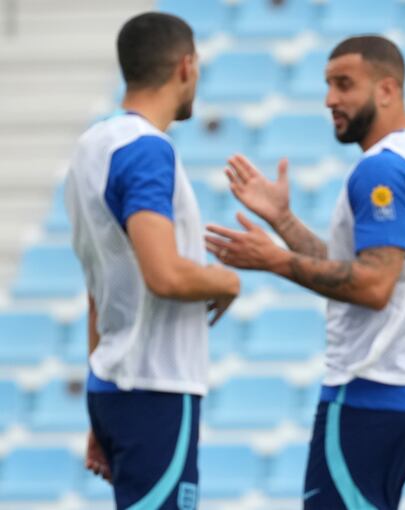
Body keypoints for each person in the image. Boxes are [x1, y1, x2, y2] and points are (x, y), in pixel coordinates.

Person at [205, 35, 405, 510]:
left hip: (370, 390)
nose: (329, 100)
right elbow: (363, 268)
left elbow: (372, 285)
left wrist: (272, 259)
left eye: (344, 85)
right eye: (327, 85)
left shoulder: (381, 171)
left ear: (387, 89)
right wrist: (283, 223)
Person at [65, 12, 240, 510]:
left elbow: (100, 290)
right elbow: (162, 273)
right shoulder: (147, 151)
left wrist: (100, 412)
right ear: (186, 66)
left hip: (114, 378)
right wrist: (225, 281)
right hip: (156, 385)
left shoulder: (89, 148)